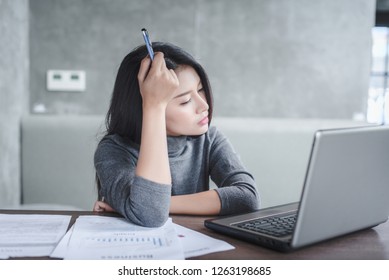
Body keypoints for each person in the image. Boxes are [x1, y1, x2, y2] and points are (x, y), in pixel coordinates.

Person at [93, 42, 259, 227]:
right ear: (143, 107)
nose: (204, 105)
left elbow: (247, 198)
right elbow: (151, 215)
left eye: (201, 89)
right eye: (185, 100)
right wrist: (154, 106)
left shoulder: (209, 139)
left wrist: (153, 205)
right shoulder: (113, 150)